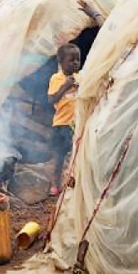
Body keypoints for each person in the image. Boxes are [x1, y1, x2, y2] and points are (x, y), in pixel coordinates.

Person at [47, 44, 81, 197]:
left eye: (78, 60)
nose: (75, 63)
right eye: (71, 60)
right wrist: (66, 86)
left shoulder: (81, 77)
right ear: (61, 62)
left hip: (76, 125)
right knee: (59, 157)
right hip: (61, 125)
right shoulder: (57, 78)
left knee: (74, 156)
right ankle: (55, 185)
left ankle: (72, 183)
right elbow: (51, 99)